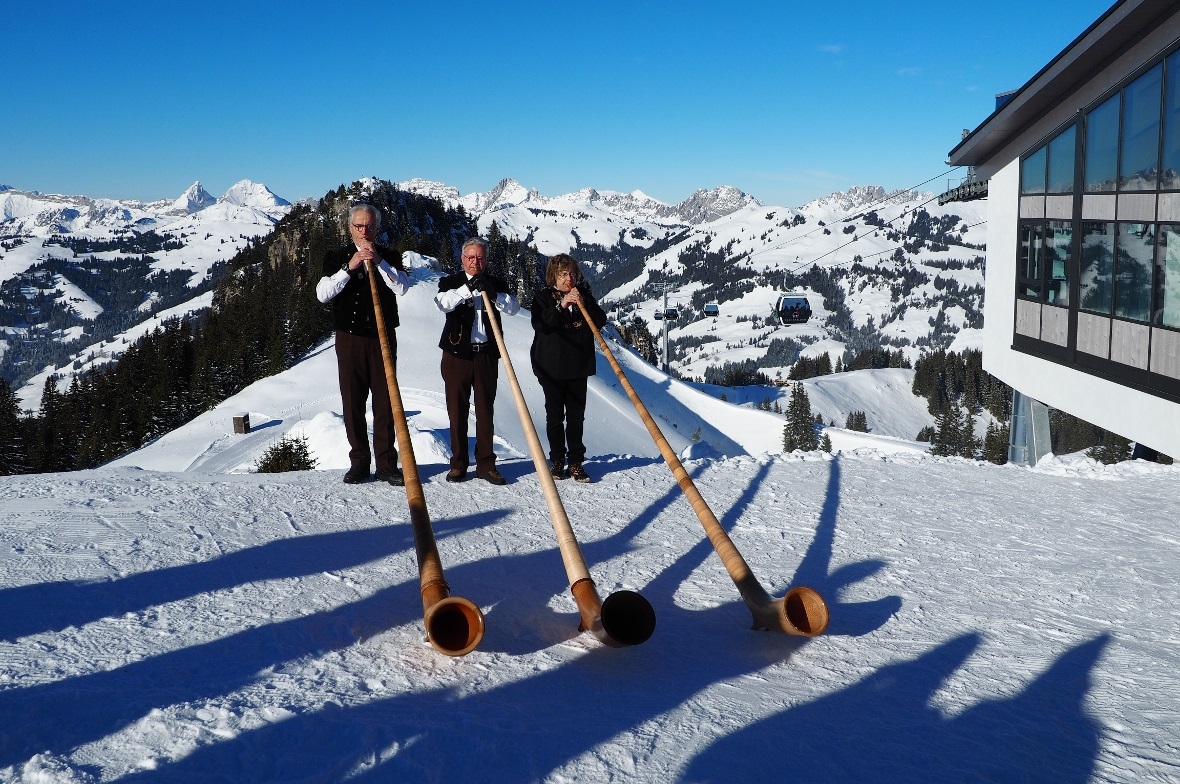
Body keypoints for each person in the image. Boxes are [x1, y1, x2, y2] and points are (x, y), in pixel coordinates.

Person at [315, 204, 410, 486]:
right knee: (353, 401)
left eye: (369, 226)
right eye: (358, 226)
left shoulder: (390, 256)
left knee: (386, 401)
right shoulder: (336, 257)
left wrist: (379, 261)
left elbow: (402, 287)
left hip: (383, 337)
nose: (364, 231)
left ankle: (386, 464)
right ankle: (359, 462)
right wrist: (350, 266)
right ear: (350, 228)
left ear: (377, 229)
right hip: (350, 339)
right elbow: (322, 294)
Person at [434, 237, 520, 485]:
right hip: (456, 355)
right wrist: (467, 289)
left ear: (486, 260)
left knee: (485, 409)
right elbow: (443, 304)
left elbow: (513, 307)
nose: (475, 262)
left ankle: (486, 464)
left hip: (486, 355)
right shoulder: (450, 282)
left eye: (480, 257)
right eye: (470, 257)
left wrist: (493, 294)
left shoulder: (496, 283)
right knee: (456, 410)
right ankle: (458, 464)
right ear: (462, 259)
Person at [529, 254, 606, 483]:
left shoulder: (584, 295)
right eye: (563, 274)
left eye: (572, 273)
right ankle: (557, 460)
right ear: (554, 275)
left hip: (577, 366)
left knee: (576, 417)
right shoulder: (543, 297)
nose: (568, 279)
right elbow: (541, 324)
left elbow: (600, 320)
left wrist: (584, 303)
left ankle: (575, 462)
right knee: (554, 416)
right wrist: (562, 305)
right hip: (550, 366)